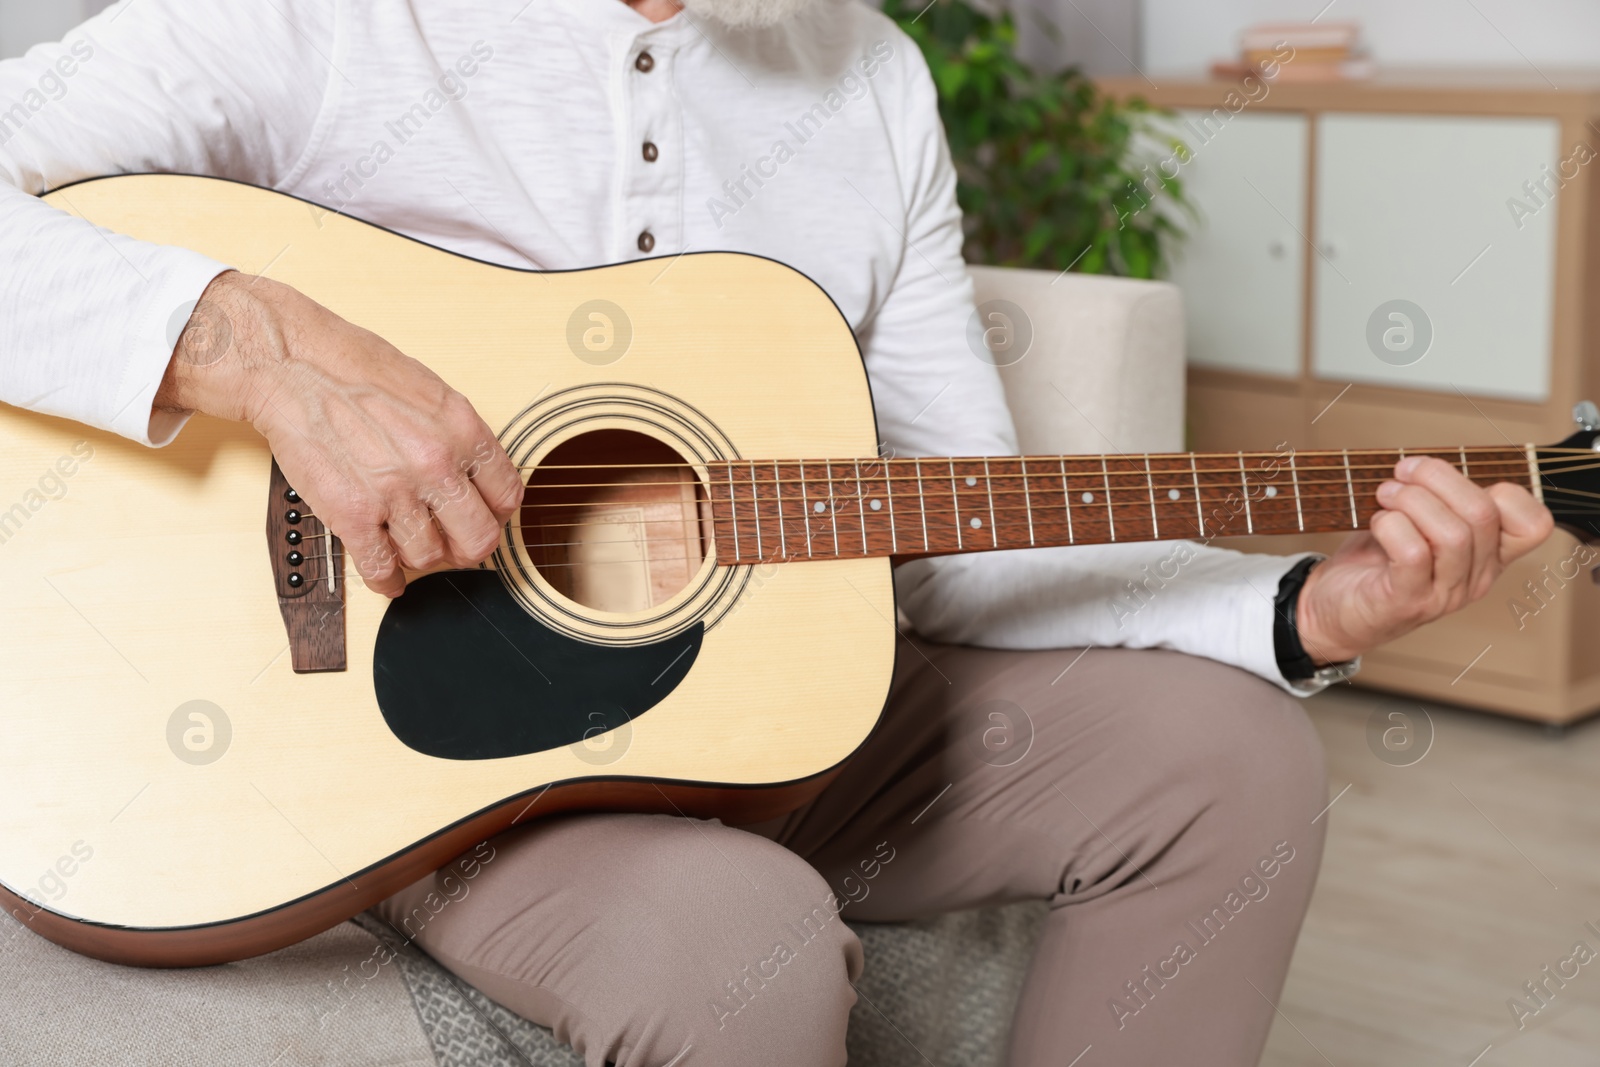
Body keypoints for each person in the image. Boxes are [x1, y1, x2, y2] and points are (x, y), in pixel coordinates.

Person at [0, 1, 1552, 1064]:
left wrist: (1300, 616)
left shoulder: (868, 74)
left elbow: (964, 541)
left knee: (1237, 761)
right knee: (729, 938)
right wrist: (252, 351)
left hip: (800, 722)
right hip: (435, 768)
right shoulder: (318, 24)